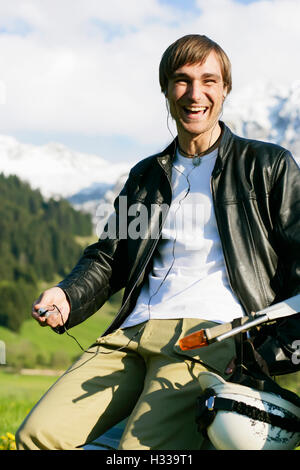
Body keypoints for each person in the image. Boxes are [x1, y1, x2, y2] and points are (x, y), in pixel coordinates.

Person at [16, 34, 300, 450]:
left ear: (225, 90)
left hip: (208, 336)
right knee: (36, 437)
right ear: (166, 88)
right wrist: (67, 295)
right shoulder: (146, 176)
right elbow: (109, 257)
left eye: (208, 80)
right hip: (128, 335)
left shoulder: (267, 164)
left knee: (140, 453)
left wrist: (278, 347)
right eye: (181, 80)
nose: (194, 93)